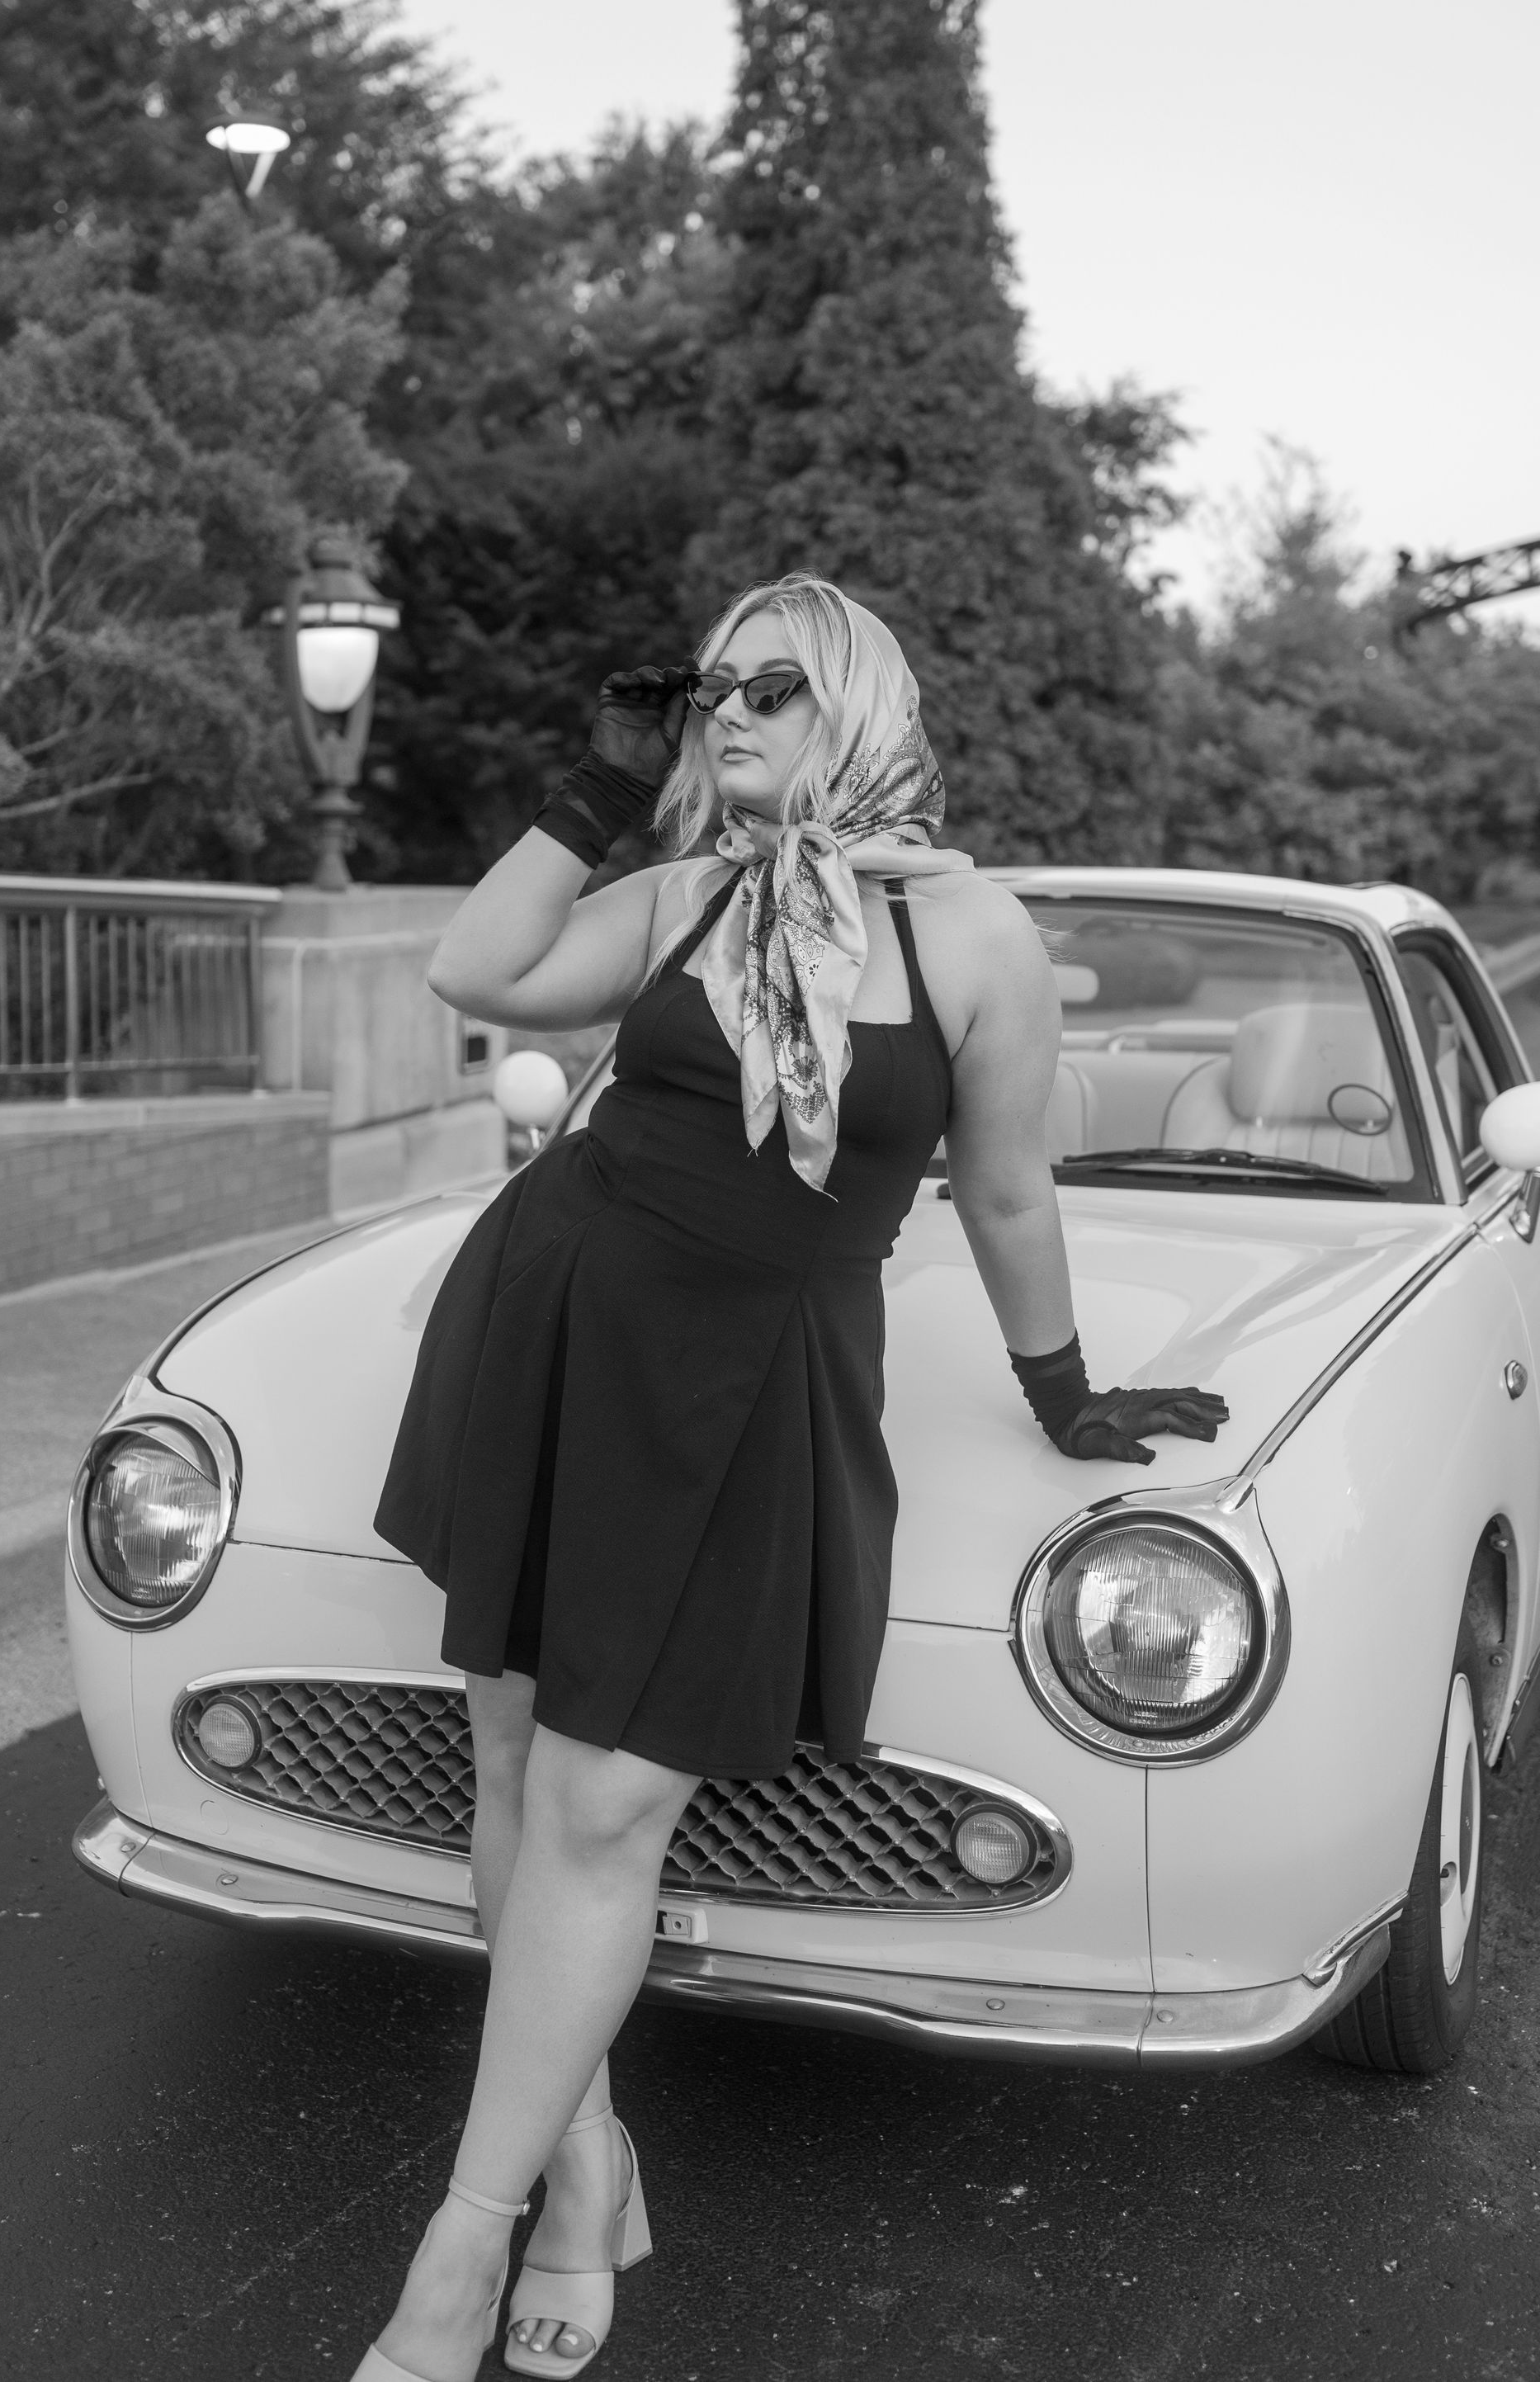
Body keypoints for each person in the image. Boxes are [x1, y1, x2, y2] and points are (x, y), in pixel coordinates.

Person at [353, 573, 1227, 2382]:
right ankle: (580, 2165)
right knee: (514, 1761)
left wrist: (1065, 1391)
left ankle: (457, 2243)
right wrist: (601, 791)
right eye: (710, 693)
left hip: (755, 1383)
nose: (728, 714)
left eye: (771, 688)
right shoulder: (687, 891)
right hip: (561, 1324)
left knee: (607, 1807)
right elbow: (477, 971)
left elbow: (1006, 1189)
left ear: (856, 705)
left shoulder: (974, 933)